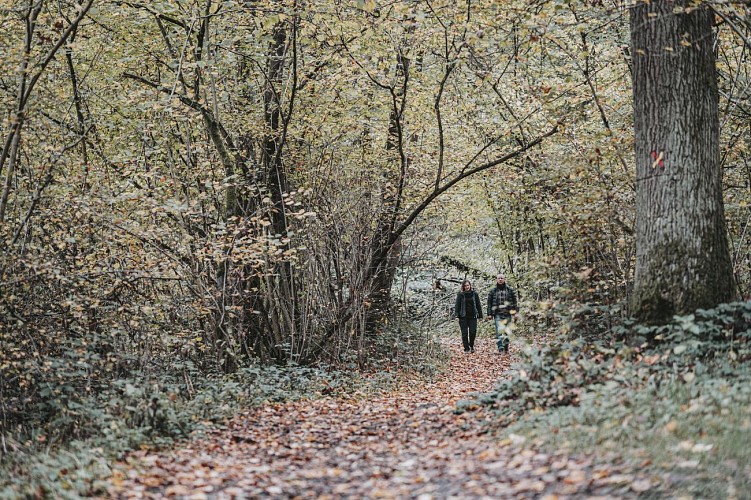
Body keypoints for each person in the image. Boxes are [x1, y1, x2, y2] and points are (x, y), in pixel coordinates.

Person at [487, 274, 518, 354]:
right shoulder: (493, 291)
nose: (500, 279)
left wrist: (515, 312)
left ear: (504, 279)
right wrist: (489, 314)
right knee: (499, 332)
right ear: (496, 280)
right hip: (498, 314)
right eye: (499, 278)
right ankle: (500, 349)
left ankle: (506, 347)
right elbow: (489, 303)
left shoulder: (510, 290)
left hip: (508, 314)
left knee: (507, 332)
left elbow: (514, 302)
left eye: (502, 278)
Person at [454, 279, 483, 353]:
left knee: (473, 332)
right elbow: (457, 306)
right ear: (463, 287)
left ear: (470, 285)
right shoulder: (460, 295)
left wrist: (480, 315)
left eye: (468, 285)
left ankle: (471, 345)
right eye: (465, 285)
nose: (467, 287)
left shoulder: (474, 294)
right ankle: (466, 348)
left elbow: (478, 305)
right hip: (463, 316)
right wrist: (457, 315)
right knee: (464, 333)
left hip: (473, 316)